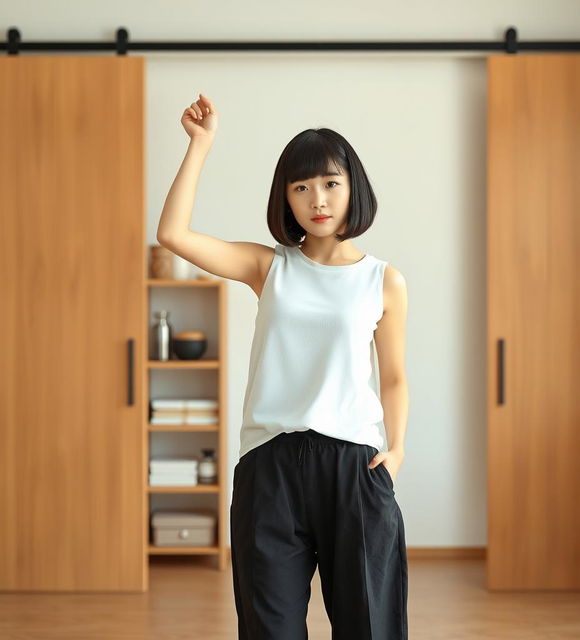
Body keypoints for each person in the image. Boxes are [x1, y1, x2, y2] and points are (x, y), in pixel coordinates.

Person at [157, 93, 409, 639]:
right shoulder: (267, 265)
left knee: (372, 625)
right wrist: (200, 145)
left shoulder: (383, 280)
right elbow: (173, 236)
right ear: (286, 199)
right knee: (269, 629)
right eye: (302, 187)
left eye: (330, 183)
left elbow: (393, 375)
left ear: (352, 189)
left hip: (355, 467)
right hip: (270, 467)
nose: (317, 199)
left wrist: (396, 449)